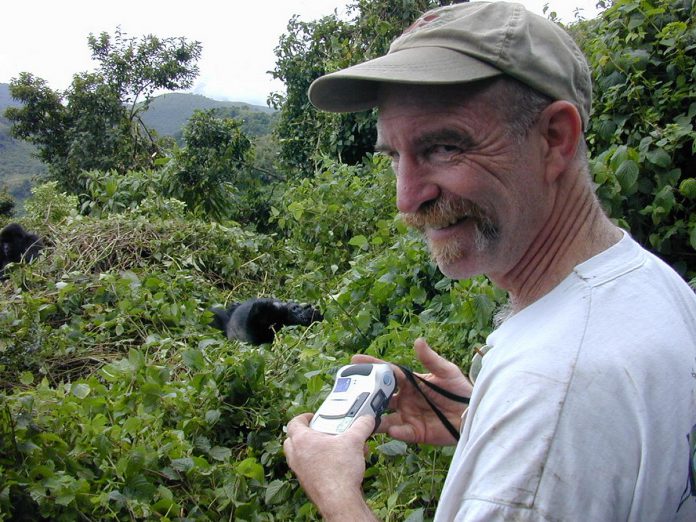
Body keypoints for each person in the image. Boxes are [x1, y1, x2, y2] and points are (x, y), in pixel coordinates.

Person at [283, 2, 696, 520]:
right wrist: (480, 417)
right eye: (395, 156)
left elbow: (559, 412)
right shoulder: (646, 281)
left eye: (444, 147)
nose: (406, 199)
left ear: (554, 139)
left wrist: (336, 493)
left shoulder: (552, 393)